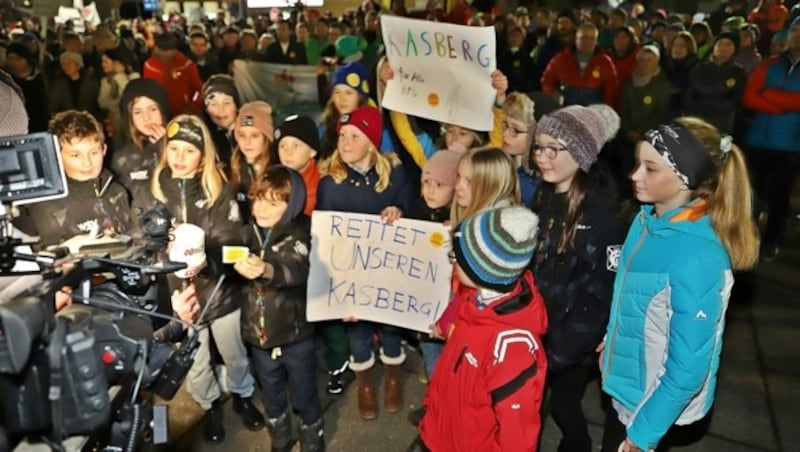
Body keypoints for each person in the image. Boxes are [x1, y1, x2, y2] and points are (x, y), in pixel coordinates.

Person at [600, 117, 759, 452]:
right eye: (636, 164)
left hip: (651, 401)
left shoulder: (698, 258)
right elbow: (638, 300)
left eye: (650, 169)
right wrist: (612, 337)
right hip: (629, 381)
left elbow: (688, 370)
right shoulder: (647, 220)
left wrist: (642, 434)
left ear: (686, 179)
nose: (634, 176)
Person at [147, 115, 265, 443]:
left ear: (203, 156)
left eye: (189, 150)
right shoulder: (154, 192)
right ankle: (209, 404)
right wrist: (162, 250)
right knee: (194, 361)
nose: (180, 158)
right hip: (179, 301)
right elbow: (142, 242)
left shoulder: (220, 190)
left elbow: (236, 242)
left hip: (220, 294)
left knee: (234, 353)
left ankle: (243, 395)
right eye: (174, 148)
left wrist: (211, 259)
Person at [530, 104, 627, 452]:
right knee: (532, 406)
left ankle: (576, 445)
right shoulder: (544, 197)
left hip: (571, 345)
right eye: (539, 147)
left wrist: (559, 353)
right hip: (537, 330)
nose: (543, 157)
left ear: (583, 154)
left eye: (554, 148)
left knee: (563, 405)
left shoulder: (603, 220)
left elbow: (599, 297)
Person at [417, 206, 548, 452]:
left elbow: (516, 440)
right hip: (442, 432)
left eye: (456, 258)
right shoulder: (475, 301)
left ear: (482, 271)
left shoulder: (513, 349)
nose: (452, 263)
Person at [315, 106, 414, 419]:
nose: (344, 142)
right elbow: (326, 238)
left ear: (371, 142)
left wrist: (399, 211)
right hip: (351, 275)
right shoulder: (331, 183)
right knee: (357, 330)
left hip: (387, 273)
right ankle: (366, 385)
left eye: (354, 136)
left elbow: (415, 216)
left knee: (390, 326)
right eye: (342, 136)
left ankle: (395, 375)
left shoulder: (395, 174)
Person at [235, 165, 324, 452]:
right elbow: (224, 251)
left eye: (272, 203)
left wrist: (266, 269)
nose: (260, 208)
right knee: (271, 395)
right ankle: (280, 438)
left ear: (291, 205)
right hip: (258, 338)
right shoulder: (249, 232)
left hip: (296, 337)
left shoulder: (301, 233)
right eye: (258, 198)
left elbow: (296, 268)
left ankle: (312, 438)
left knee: (304, 394)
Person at [27, 110, 132, 247]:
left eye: (94, 152)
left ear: (104, 150)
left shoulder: (118, 192)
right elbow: (46, 258)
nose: (87, 163)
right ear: (57, 156)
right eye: (75, 155)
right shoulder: (46, 205)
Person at [742, 16, 800, 259]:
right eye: (795, 29)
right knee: (753, 193)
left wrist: (771, 95)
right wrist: (782, 104)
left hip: (789, 144)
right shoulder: (771, 64)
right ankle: (747, 237)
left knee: (779, 196)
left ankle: (771, 239)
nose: (797, 34)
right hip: (757, 140)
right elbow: (748, 97)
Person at [406, 149, 461, 382]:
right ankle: (436, 404)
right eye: (426, 182)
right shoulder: (414, 211)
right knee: (433, 362)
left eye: (439, 185)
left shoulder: (462, 219)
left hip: (453, 310)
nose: (430, 190)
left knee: (456, 365)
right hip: (425, 310)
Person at [111, 78, 172, 217]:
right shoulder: (122, 157)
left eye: (153, 109)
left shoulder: (184, 145)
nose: (147, 117)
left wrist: (165, 148)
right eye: (138, 112)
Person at [541, 22, 619, 107]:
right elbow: (547, 80)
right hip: (566, 111)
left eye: (592, 38)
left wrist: (605, 110)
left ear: (596, 41)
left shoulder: (605, 62)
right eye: (584, 38)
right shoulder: (562, 59)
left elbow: (611, 91)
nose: (587, 42)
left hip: (593, 113)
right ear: (576, 39)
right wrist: (553, 96)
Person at [682, 32, 745, 134]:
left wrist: (711, 103)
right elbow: (689, 94)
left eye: (728, 44)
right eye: (720, 43)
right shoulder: (699, 68)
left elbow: (735, 99)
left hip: (723, 122)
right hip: (698, 119)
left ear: (734, 50)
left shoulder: (738, 72)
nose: (722, 47)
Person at [230, 100, 275, 224]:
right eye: (242, 135)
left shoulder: (277, 171)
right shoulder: (231, 170)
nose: (247, 142)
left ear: (266, 138)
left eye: (255, 135)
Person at [143, 33, 204, 115]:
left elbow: (200, 89)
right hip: (158, 114)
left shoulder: (186, 65)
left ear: (175, 51)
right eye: (162, 52)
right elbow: (146, 90)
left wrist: (193, 107)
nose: (165, 56)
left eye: (168, 54)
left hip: (183, 113)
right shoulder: (149, 65)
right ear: (156, 49)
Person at [275, 114, 321, 216]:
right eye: (282, 146)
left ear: (312, 151)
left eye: (296, 145)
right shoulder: (271, 181)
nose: (288, 152)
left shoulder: (323, 188)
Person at [500, 92, 539, 207]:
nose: (505, 134)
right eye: (506, 125)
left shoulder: (536, 184)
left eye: (515, 130)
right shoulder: (499, 168)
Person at [98, 48, 141, 149]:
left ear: (116, 62)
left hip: (131, 122)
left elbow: (130, 94)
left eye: (106, 61)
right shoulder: (105, 80)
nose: (103, 65)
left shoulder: (133, 77)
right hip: (115, 123)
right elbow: (102, 102)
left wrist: (119, 76)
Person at [202, 74, 242, 167]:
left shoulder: (250, 132)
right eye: (214, 104)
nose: (221, 110)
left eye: (227, 103)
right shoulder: (206, 138)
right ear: (206, 109)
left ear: (237, 105)